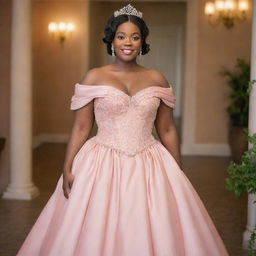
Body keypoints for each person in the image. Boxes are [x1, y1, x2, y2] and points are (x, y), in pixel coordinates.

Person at [17, 4, 229, 256]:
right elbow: (82, 126)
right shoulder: (94, 77)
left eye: (135, 36)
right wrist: (67, 165)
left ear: (142, 42)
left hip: (150, 160)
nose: (127, 42)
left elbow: (167, 128)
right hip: (101, 159)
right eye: (121, 36)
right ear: (111, 40)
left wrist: (177, 170)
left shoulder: (157, 79)